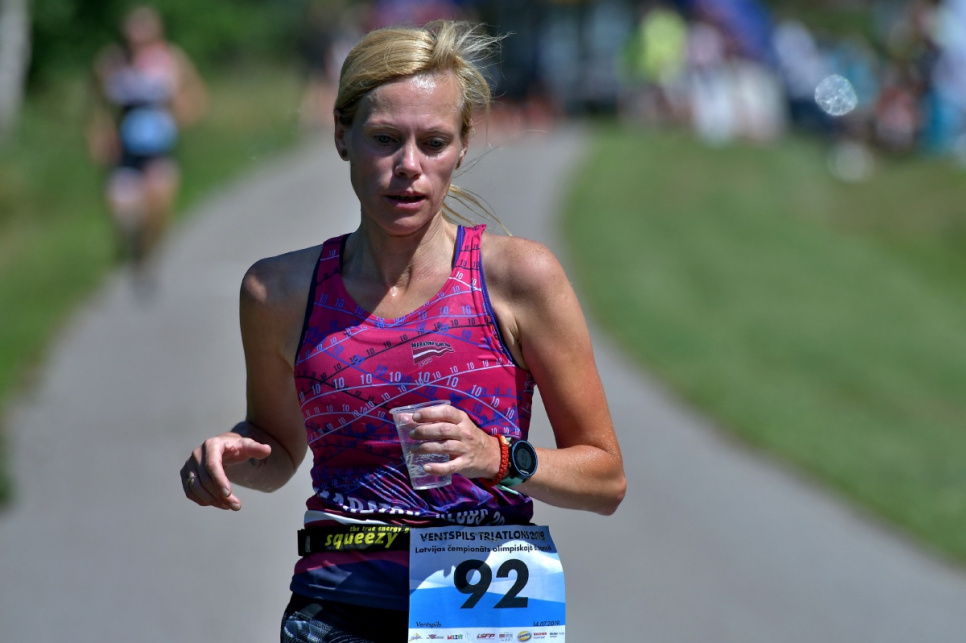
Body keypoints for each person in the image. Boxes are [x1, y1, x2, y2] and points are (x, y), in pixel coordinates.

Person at [180, 20, 625, 643]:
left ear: (463, 145)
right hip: (336, 604)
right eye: (385, 139)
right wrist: (232, 457)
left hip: (484, 609)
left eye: (434, 142)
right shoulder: (277, 292)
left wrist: (496, 457)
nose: (409, 166)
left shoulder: (519, 278)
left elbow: (605, 479)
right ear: (342, 135)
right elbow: (278, 452)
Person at [86, 6, 206, 273]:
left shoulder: (171, 59)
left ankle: (149, 254)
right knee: (122, 212)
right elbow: (96, 104)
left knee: (158, 205)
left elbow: (196, 94)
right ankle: (133, 248)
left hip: (160, 146)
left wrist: (180, 115)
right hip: (124, 148)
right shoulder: (111, 62)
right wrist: (98, 133)